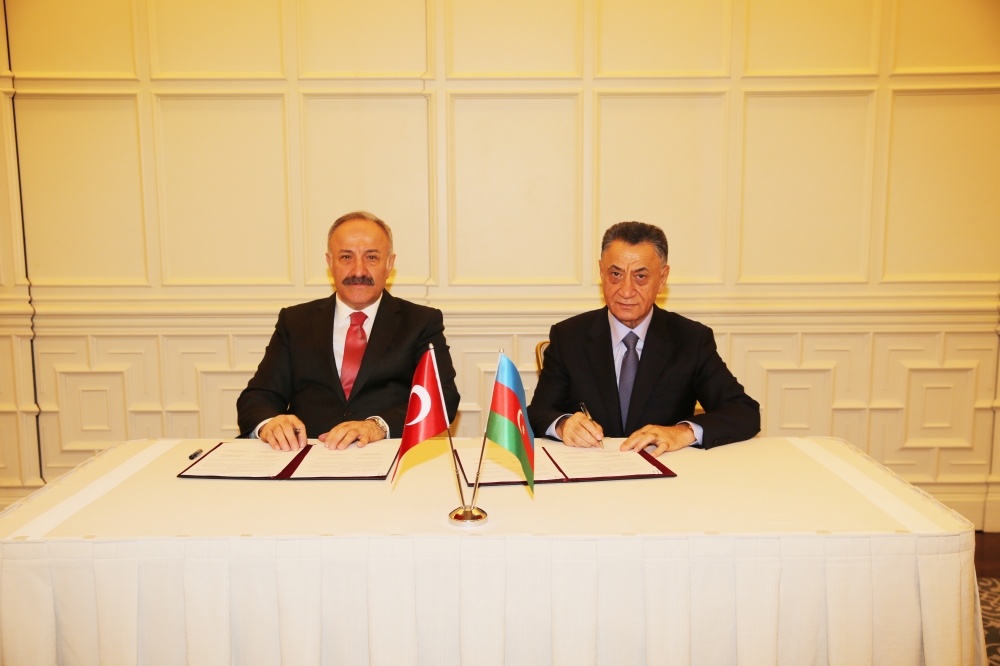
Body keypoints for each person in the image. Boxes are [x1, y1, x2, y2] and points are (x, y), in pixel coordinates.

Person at [527, 221, 759, 457]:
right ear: (601, 272)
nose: (626, 291)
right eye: (615, 274)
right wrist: (563, 425)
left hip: (667, 469)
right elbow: (537, 413)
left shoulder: (691, 339)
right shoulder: (569, 336)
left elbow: (744, 412)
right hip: (590, 471)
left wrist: (682, 432)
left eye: (640, 276)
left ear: (662, 278)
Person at [237, 211, 460, 451]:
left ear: (389, 264)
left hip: (387, 454)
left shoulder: (421, 322)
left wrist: (378, 426)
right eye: (346, 257)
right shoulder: (295, 321)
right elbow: (258, 397)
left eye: (371, 257)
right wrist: (270, 423)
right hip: (307, 454)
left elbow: (441, 398)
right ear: (330, 263)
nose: (358, 271)